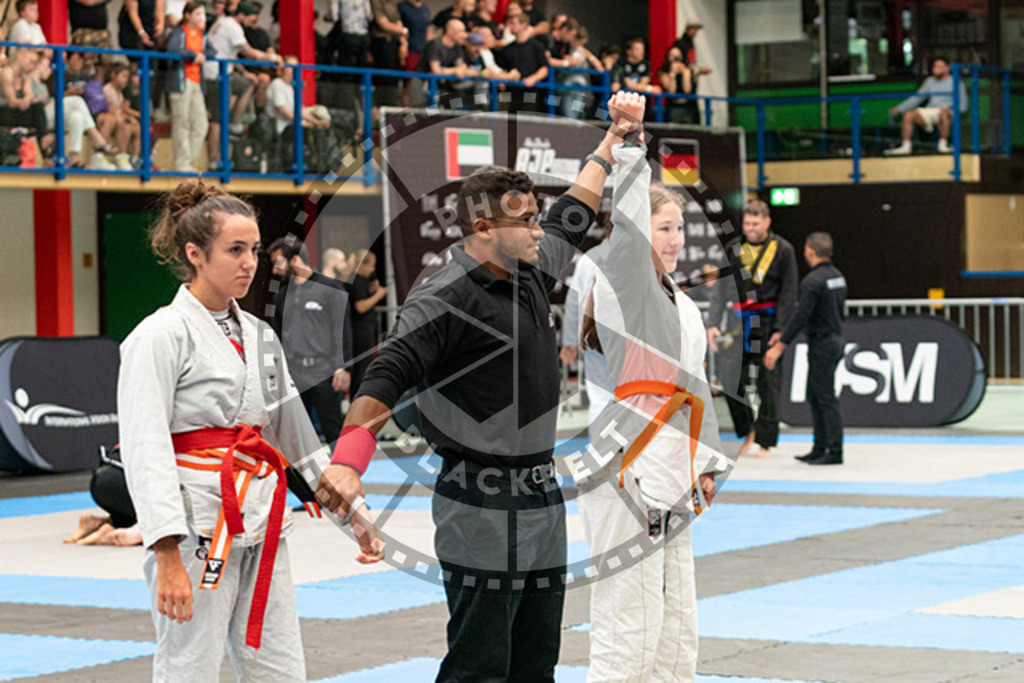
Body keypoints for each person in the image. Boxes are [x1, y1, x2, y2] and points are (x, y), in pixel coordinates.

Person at [316, 95, 628, 682]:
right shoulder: (443, 297)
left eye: (537, 216)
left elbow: (574, 212)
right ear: (484, 227)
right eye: (526, 220)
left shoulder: (531, 268)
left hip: (541, 491)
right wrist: (348, 460)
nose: (540, 227)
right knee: (481, 663)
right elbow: (387, 373)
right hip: (478, 502)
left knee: (537, 658)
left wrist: (609, 143)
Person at [118, 180, 381, 680]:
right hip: (197, 528)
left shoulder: (260, 335)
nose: (250, 262)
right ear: (194, 253)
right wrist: (166, 552)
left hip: (262, 517)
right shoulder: (158, 335)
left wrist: (356, 517)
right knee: (188, 665)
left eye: (255, 250)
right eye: (234, 250)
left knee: (279, 666)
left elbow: (299, 442)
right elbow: (144, 447)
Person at [572, 90, 727, 683]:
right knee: (628, 616)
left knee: (675, 612)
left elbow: (699, 388)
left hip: (675, 462)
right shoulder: (626, 285)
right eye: (664, 227)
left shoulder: (680, 304)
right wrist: (631, 142)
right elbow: (632, 226)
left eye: (680, 229)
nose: (674, 239)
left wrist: (707, 464)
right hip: (627, 463)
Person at [707, 200, 798, 458]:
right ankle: (748, 430)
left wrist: (782, 329)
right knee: (728, 379)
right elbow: (721, 289)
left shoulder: (783, 250)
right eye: (747, 223)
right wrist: (713, 322)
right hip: (737, 324)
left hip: (768, 324)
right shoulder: (734, 248)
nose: (750, 228)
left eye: (755, 224)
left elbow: (789, 292)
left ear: (767, 222)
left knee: (767, 383)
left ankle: (766, 440)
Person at [764, 232, 847, 465]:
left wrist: (781, 343)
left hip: (822, 343)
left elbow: (801, 315)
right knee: (816, 395)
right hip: (836, 339)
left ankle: (834, 450)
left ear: (810, 251)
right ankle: (820, 447)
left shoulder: (813, 281)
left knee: (825, 397)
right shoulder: (837, 277)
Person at [269, 238, 352, 445]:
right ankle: (304, 477)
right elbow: (277, 336)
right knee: (297, 433)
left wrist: (344, 366)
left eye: (278, 262)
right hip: (293, 374)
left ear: (295, 260)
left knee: (332, 428)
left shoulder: (330, 289)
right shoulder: (281, 297)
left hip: (324, 371)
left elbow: (341, 330)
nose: (274, 270)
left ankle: (341, 473)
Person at [203, 3, 280, 169]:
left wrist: (244, 72)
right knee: (217, 120)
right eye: (253, 19)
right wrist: (272, 58)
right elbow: (249, 52)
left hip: (221, 73)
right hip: (216, 75)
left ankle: (235, 123)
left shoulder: (224, 21)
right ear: (243, 15)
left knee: (246, 83)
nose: (254, 24)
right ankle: (214, 160)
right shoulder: (232, 26)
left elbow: (228, 53)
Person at [560, 218, 614, 428]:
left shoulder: (587, 260)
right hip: (613, 337)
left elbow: (574, 302)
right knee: (632, 397)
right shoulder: (638, 257)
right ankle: (633, 453)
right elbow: (574, 302)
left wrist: (570, 342)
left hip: (596, 337)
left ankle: (602, 453)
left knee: (601, 396)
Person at [886, 57, 967, 156]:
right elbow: (917, 98)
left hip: (947, 112)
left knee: (944, 113)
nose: (935, 69)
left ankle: (942, 145)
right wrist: (900, 108)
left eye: (939, 66)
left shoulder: (956, 82)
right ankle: (906, 146)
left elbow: (963, 105)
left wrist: (952, 111)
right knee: (908, 115)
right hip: (931, 111)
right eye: (934, 66)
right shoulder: (929, 81)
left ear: (947, 68)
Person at [167, 1, 214, 172]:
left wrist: (202, 55)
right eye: (197, 14)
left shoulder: (202, 33)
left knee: (201, 124)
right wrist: (192, 55)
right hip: (181, 81)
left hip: (196, 82)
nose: (201, 18)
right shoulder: (180, 31)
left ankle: (188, 160)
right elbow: (172, 50)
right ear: (187, 16)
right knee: (182, 122)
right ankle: (181, 163)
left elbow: (211, 51)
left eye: (202, 14)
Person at [346, 249, 388, 399]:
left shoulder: (360, 282)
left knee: (363, 368)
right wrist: (378, 295)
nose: (373, 270)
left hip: (364, 330)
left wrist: (371, 291)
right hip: (360, 332)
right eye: (371, 265)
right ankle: (357, 399)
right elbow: (360, 306)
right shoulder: (356, 280)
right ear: (362, 265)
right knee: (362, 370)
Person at [494, 10, 548, 113]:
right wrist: (502, 79)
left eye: (513, 23)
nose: (510, 27)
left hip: (531, 93)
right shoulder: (507, 49)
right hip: (512, 93)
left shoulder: (536, 47)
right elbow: (501, 68)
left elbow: (544, 68)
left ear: (524, 25)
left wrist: (533, 78)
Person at [421, 18, 468, 108]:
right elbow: (436, 70)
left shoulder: (458, 47)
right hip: (429, 85)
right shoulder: (435, 45)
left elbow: (462, 67)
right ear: (450, 31)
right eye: (461, 31)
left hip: (449, 86)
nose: (465, 35)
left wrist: (461, 69)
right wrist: (455, 70)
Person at [103, 64, 142, 170]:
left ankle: (134, 158)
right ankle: (121, 156)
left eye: (127, 77)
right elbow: (112, 110)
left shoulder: (120, 93)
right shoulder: (107, 89)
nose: (126, 80)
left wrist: (132, 119)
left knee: (137, 127)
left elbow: (121, 110)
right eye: (123, 76)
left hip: (119, 117)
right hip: (109, 118)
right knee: (125, 124)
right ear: (113, 76)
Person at [370, 0, 407, 107]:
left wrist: (404, 42)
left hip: (395, 43)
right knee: (384, 80)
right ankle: (382, 108)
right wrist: (404, 31)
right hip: (382, 44)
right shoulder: (376, 2)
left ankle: (392, 109)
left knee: (395, 80)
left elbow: (398, 21)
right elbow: (383, 23)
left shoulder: (393, 3)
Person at [658, 46, 698, 124]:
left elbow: (687, 90)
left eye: (677, 56)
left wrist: (685, 73)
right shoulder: (664, 72)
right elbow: (671, 91)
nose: (675, 59)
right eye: (672, 55)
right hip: (672, 107)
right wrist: (672, 74)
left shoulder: (686, 70)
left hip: (687, 107)